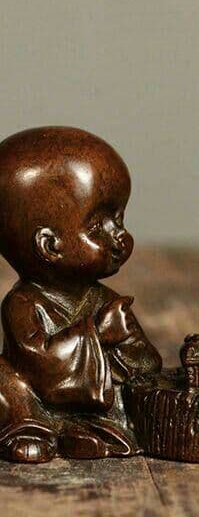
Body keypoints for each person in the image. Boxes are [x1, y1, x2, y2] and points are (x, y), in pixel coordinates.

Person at [0, 127, 161, 463]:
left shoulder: (105, 300)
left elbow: (147, 367)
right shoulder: (23, 304)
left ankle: (79, 434)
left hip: (93, 408)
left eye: (119, 220)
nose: (121, 237)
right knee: (6, 382)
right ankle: (33, 431)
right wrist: (97, 333)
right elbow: (42, 369)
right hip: (34, 403)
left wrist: (126, 343)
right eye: (99, 226)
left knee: (125, 404)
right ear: (50, 245)